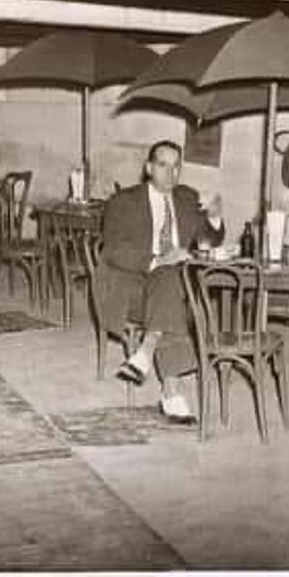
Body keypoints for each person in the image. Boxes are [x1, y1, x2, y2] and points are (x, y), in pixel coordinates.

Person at [98, 140, 224, 423]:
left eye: (176, 166)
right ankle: (171, 389)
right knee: (169, 277)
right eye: (163, 165)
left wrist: (215, 216)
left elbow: (209, 241)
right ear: (149, 168)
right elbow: (112, 250)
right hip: (135, 287)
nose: (171, 173)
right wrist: (156, 260)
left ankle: (147, 350)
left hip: (177, 288)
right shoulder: (124, 201)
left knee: (171, 278)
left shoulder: (188, 197)